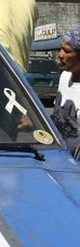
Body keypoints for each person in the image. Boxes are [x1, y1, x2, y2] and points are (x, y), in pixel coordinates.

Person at [52, 26, 80, 155]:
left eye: (67, 51)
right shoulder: (65, 76)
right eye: (60, 49)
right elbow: (57, 117)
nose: (60, 54)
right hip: (58, 154)